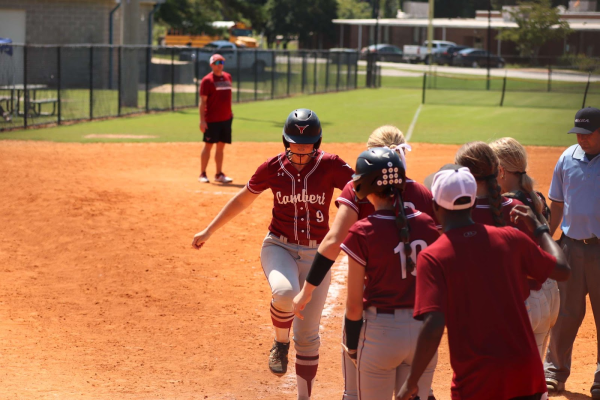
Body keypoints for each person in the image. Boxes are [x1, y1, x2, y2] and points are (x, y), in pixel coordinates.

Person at [192, 109, 354, 400]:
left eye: (307, 144)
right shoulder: (272, 168)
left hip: (318, 255)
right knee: (284, 292)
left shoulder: (331, 165)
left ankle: (304, 396)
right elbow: (243, 199)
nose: (300, 149)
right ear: (284, 140)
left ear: (318, 142)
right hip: (279, 246)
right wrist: (208, 230)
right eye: (294, 142)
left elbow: (360, 193)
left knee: (307, 337)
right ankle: (280, 343)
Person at [396, 167, 571, 400]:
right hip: (526, 374)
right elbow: (562, 270)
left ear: (436, 207)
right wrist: (539, 228)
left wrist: (412, 381)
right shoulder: (511, 238)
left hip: (477, 381)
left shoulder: (434, 256)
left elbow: (434, 323)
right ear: (471, 204)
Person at [291, 125, 438, 400]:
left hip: (377, 318)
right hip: (421, 318)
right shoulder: (420, 193)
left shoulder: (357, 191)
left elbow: (334, 241)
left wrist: (307, 290)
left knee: (357, 390)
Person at [341, 147, 440, 400]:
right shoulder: (429, 225)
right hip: (423, 335)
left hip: (380, 336)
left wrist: (352, 346)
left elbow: (353, 306)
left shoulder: (363, 231)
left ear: (366, 185)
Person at [544, 107, 600, 398]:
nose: (582, 138)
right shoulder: (567, 158)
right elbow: (556, 204)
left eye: (587, 133)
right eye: (578, 133)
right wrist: (545, 241)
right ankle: (554, 372)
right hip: (571, 247)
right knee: (565, 313)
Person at [490, 137, 559, 360]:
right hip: (549, 292)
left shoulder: (508, 207)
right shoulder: (536, 198)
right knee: (535, 379)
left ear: (500, 171)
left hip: (527, 296)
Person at [198, 53, 234, 184]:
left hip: (226, 118)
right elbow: (202, 102)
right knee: (208, 146)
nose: (220, 65)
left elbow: (227, 98)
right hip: (212, 119)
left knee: (221, 147)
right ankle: (202, 173)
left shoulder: (228, 77)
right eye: (217, 63)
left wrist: (230, 112)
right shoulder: (207, 80)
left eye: (222, 63)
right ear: (211, 65)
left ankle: (219, 174)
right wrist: (202, 120)